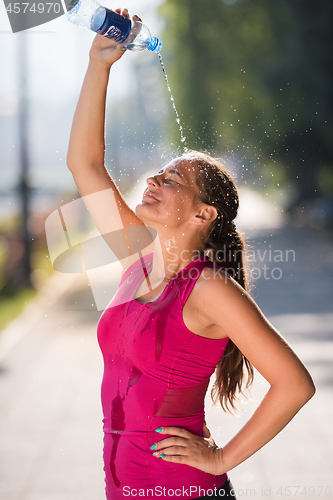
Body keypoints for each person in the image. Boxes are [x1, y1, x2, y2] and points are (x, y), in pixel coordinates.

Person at [66, 9, 316, 500]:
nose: (154, 180)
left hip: (183, 492)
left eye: (172, 179)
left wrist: (221, 458)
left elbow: (295, 384)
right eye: (158, 173)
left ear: (202, 215)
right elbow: (85, 165)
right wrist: (100, 65)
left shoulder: (210, 289)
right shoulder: (137, 259)